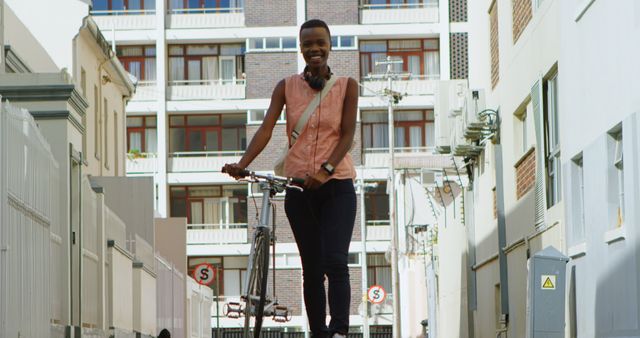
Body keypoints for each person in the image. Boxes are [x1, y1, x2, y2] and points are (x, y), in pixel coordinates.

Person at [223, 19, 358, 338]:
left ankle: (339, 330)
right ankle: (318, 333)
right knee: (311, 268)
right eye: (308, 44)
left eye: (320, 43)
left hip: (337, 185)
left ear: (329, 45)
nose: (314, 49)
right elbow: (267, 129)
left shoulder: (347, 86)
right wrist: (243, 164)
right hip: (299, 189)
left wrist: (325, 170)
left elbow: (348, 135)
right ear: (301, 48)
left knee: (335, 261)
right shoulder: (286, 87)